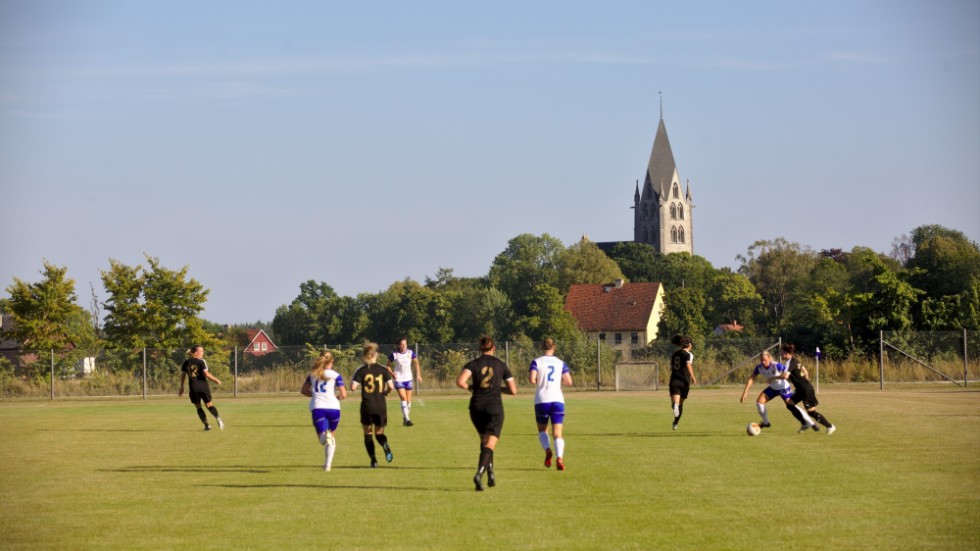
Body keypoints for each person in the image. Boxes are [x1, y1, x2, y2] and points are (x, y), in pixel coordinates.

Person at [456, 336, 517, 491]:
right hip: (494, 407)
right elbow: (513, 390)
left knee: (485, 441)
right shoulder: (501, 365)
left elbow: (460, 382)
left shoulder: (473, 364)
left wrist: (472, 388)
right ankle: (479, 473)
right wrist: (498, 389)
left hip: (476, 406)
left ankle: (490, 473)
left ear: (479, 349)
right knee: (490, 443)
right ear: (494, 348)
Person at [740, 350, 816, 431]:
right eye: (761, 360)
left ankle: (810, 422)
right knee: (759, 402)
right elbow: (751, 378)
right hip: (773, 388)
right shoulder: (759, 367)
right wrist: (745, 393)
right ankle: (766, 423)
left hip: (783, 388)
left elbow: (789, 371)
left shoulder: (776, 365)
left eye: (765, 360)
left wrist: (802, 377)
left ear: (769, 358)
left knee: (791, 405)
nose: (763, 362)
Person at [529, 337, 572, 471]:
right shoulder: (561, 363)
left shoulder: (536, 362)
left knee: (543, 430)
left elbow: (532, 380)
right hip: (557, 400)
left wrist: (540, 382)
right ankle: (560, 458)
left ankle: (548, 450)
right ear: (554, 347)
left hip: (542, 400)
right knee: (558, 434)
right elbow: (569, 382)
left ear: (542, 347)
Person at [300, 351, 348, 471]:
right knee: (331, 437)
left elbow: (304, 390)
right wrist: (336, 398)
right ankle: (327, 465)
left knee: (323, 440)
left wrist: (316, 395)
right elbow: (343, 394)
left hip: (318, 408)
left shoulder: (313, 374)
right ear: (331, 362)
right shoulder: (335, 375)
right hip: (334, 409)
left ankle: (324, 437)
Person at [350, 342, 395, 468]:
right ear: (376, 355)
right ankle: (385, 445)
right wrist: (385, 392)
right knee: (379, 434)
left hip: (367, 407)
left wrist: (355, 380)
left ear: (364, 356)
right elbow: (391, 386)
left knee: (368, 434)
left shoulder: (361, 370)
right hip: (381, 406)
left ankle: (373, 460)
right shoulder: (383, 370)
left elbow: (353, 387)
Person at [781, 343, 836, 434]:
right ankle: (804, 423)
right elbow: (805, 372)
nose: (780, 354)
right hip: (801, 389)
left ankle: (830, 426)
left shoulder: (790, 362)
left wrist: (774, 378)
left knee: (811, 412)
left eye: (781, 352)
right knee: (789, 404)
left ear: (786, 353)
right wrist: (803, 382)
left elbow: (785, 376)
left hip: (806, 390)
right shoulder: (795, 360)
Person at [178, 345, 224, 431]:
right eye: (201, 351)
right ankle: (218, 418)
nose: (203, 352)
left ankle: (207, 425)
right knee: (209, 405)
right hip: (203, 386)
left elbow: (183, 375)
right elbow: (206, 374)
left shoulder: (186, 362)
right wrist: (216, 380)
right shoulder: (202, 362)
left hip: (193, 387)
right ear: (196, 352)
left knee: (198, 407)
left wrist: (182, 387)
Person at [387, 338, 422, 426]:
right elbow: (387, 366)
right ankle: (407, 419)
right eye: (402, 344)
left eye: (405, 344)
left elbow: (416, 363)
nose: (404, 346)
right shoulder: (394, 355)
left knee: (408, 400)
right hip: (399, 378)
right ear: (399, 345)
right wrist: (392, 374)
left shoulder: (410, 353)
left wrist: (418, 374)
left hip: (408, 378)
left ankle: (405, 417)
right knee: (403, 398)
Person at [668, 335, 697, 431]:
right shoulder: (689, 354)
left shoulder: (675, 354)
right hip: (685, 381)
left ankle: (675, 405)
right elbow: (688, 365)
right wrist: (693, 377)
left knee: (676, 402)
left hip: (674, 379)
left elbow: (672, 368)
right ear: (689, 344)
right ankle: (675, 423)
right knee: (681, 404)